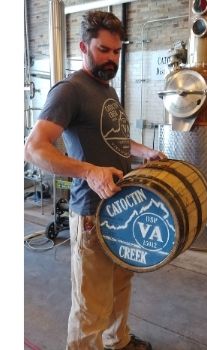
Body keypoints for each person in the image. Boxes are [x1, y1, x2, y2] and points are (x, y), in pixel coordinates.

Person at [24, 10, 164, 350]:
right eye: (104, 50)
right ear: (84, 46)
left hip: (122, 208)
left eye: (117, 52)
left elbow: (115, 138)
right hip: (91, 213)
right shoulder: (70, 90)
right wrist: (88, 171)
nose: (111, 58)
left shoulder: (107, 91)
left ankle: (118, 340)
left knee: (120, 282)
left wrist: (144, 152)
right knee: (91, 303)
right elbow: (33, 148)